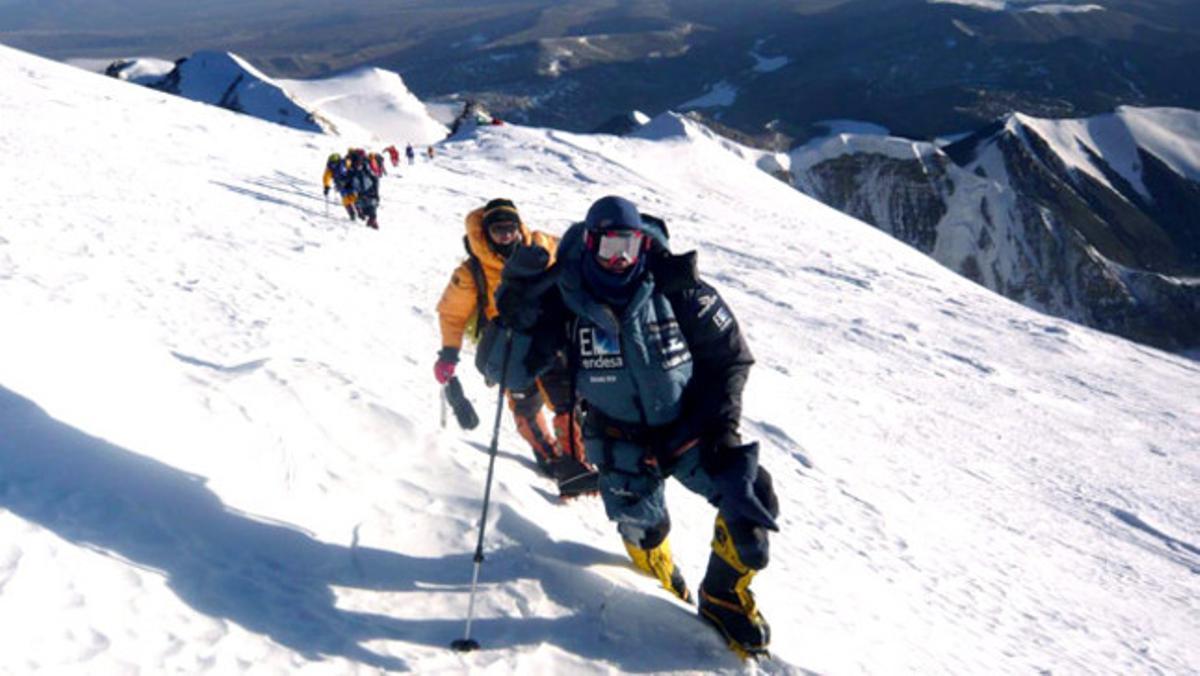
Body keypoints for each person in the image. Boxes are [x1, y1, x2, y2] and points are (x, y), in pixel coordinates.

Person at [489, 195, 779, 657]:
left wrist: (721, 426)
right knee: (645, 534)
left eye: (629, 245)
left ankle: (723, 596)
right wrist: (513, 314)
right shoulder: (567, 299)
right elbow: (506, 372)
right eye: (609, 247)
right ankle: (660, 585)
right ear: (590, 243)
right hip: (619, 444)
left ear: (643, 243)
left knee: (751, 498)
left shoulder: (676, 285)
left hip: (689, 431)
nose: (620, 259)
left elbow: (729, 357)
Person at [435, 199, 599, 498]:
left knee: (566, 401)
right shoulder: (472, 271)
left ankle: (576, 464)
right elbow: (452, 313)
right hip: (508, 348)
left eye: (511, 229)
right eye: (498, 231)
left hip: (549, 339)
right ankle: (549, 456)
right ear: (486, 233)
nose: (506, 237)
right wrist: (448, 353)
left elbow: (572, 257)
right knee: (526, 408)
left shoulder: (541, 245)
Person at [346, 150, 380, 229]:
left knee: (371, 205)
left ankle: (372, 220)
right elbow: (374, 178)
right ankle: (371, 220)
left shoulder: (363, 166)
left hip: (365, 188)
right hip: (364, 188)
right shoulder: (358, 167)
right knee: (368, 206)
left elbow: (374, 177)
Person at [322, 153, 357, 221]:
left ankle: (359, 209)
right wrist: (326, 186)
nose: (333, 165)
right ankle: (351, 213)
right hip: (340, 185)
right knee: (345, 199)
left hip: (349, 182)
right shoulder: (330, 168)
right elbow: (326, 177)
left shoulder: (345, 162)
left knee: (353, 196)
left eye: (334, 163)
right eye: (332, 163)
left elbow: (352, 169)